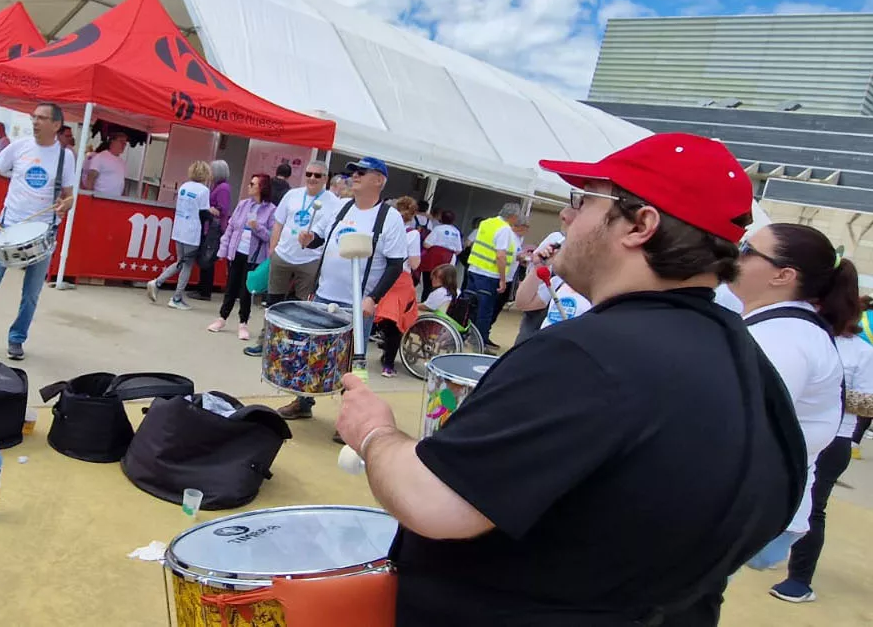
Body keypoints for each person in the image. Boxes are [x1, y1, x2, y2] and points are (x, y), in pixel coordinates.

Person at [335, 132, 807, 624]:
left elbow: (431, 503)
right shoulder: (755, 371)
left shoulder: (589, 354)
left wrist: (375, 432)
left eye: (582, 200)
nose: (565, 216)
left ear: (640, 225)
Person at [728, 223, 849, 574]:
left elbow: (736, 430)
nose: (736, 253)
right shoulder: (782, 328)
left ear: (782, 275)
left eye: (748, 249)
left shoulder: (785, 340)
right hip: (757, 502)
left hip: (751, 509)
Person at [280, 157, 407, 422]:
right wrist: (309, 239)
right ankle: (303, 402)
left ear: (379, 180)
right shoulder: (341, 208)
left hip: (357, 304)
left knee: (351, 364)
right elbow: (321, 240)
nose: (354, 177)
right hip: (325, 295)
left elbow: (396, 265)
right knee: (312, 354)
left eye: (361, 172)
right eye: (353, 173)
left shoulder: (389, 218)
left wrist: (373, 298)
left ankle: (350, 419)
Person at [766, 296, 872, 603]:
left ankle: (800, 579)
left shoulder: (861, 352)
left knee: (814, 504)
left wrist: (825, 389)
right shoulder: (801, 337)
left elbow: (869, 402)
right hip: (788, 432)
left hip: (833, 438)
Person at [0, 102, 75, 360]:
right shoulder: (19, 147)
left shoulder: (66, 157)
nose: (35, 122)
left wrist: (65, 204)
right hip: (8, 228)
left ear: (56, 125)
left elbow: (69, 196)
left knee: (31, 294)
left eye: (42, 118)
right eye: (34, 117)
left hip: (43, 232)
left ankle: (17, 339)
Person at [244, 160, 338, 357]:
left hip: (310, 260)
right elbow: (278, 223)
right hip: (283, 255)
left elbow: (330, 234)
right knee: (273, 302)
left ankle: (295, 346)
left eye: (318, 175)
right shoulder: (293, 195)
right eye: (309, 174)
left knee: (304, 307)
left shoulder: (333, 203)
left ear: (325, 179)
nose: (312, 178)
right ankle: (265, 342)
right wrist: (273, 250)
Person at [206, 173, 275, 340]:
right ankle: (222, 318)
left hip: (254, 256)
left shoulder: (272, 210)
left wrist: (257, 227)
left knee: (246, 290)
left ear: (262, 187)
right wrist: (223, 250)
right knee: (230, 287)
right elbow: (230, 228)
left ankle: (243, 322)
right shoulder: (243, 204)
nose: (249, 186)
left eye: (253, 184)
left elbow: (271, 236)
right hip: (236, 252)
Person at [147, 161, 212, 310]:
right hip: (192, 231)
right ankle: (175, 297)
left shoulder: (184, 186)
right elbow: (203, 213)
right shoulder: (203, 190)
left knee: (180, 261)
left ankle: (157, 282)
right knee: (187, 265)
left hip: (179, 228)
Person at [373, 196, 423, 377]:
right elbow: (415, 263)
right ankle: (388, 364)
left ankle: (381, 348)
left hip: (382, 276)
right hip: (401, 280)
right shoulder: (413, 234)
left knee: (381, 317)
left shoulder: (385, 228)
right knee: (397, 323)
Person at [463, 202, 522, 350]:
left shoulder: (486, 223)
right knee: (485, 311)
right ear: (513, 216)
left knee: (469, 306)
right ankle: (479, 343)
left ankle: (460, 335)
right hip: (490, 274)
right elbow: (500, 255)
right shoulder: (505, 229)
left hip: (474, 269)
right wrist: (503, 279)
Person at [192, 159, 232, 302]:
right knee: (206, 257)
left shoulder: (223, 188)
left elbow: (223, 209)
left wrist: (209, 209)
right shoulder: (218, 186)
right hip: (212, 227)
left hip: (214, 229)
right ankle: (202, 288)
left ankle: (204, 291)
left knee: (208, 258)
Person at [421, 210, 462, 302]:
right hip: (448, 260)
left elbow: (426, 244)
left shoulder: (437, 229)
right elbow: (459, 250)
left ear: (441, 218)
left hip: (433, 258)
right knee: (444, 284)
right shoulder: (456, 232)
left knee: (428, 283)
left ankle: (426, 302)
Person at [81, 129, 127, 196]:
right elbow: (90, 179)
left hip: (116, 200)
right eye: (121, 141)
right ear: (112, 141)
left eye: (125, 143)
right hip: (100, 199)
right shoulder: (100, 157)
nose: (123, 145)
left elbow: (122, 184)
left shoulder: (122, 162)